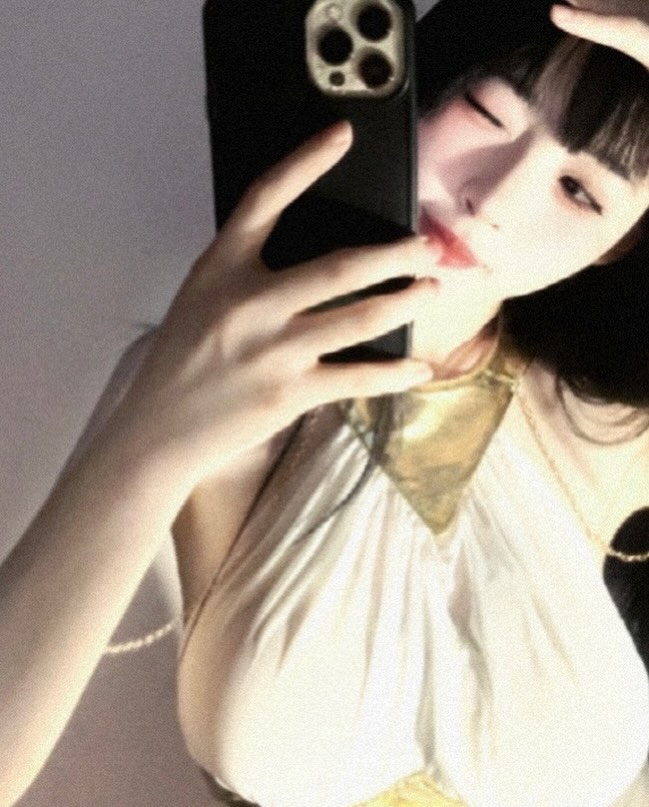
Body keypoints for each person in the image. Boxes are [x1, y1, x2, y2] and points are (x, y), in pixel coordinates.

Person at [1, 0, 649, 805]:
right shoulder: (211, 386)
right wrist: (155, 423)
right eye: (487, 113)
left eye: (579, 191)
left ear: (621, 242)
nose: (494, 197)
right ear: (413, 89)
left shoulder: (608, 427)